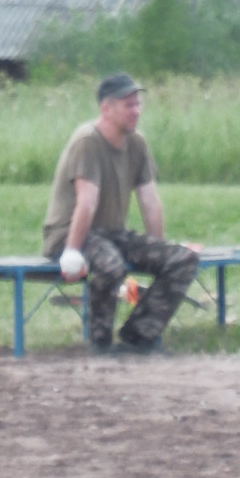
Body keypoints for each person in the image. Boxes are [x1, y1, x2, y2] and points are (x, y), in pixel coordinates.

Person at [42, 74, 198, 356]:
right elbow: (87, 203)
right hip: (70, 232)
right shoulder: (87, 141)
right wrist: (72, 251)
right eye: (129, 105)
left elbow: (150, 201)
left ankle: (139, 336)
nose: (136, 111)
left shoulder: (137, 143)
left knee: (182, 259)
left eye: (138, 104)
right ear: (107, 108)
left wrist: (159, 251)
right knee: (111, 266)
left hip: (111, 234)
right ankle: (101, 343)